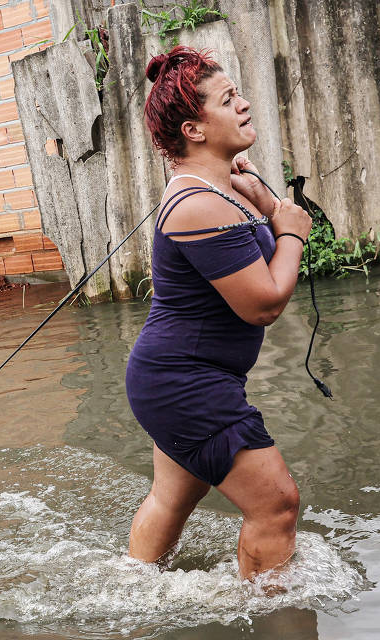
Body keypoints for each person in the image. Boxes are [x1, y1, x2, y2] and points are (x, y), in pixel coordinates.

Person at [125, 46, 313, 582]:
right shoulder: (197, 204)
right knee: (276, 504)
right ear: (195, 129)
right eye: (229, 100)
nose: (245, 105)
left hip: (178, 378)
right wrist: (292, 231)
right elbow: (264, 304)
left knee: (172, 499)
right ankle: (271, 628)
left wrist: (263, 200)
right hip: (185, 383)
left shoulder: (218, 189)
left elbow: (260, 248)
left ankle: (133, 594)